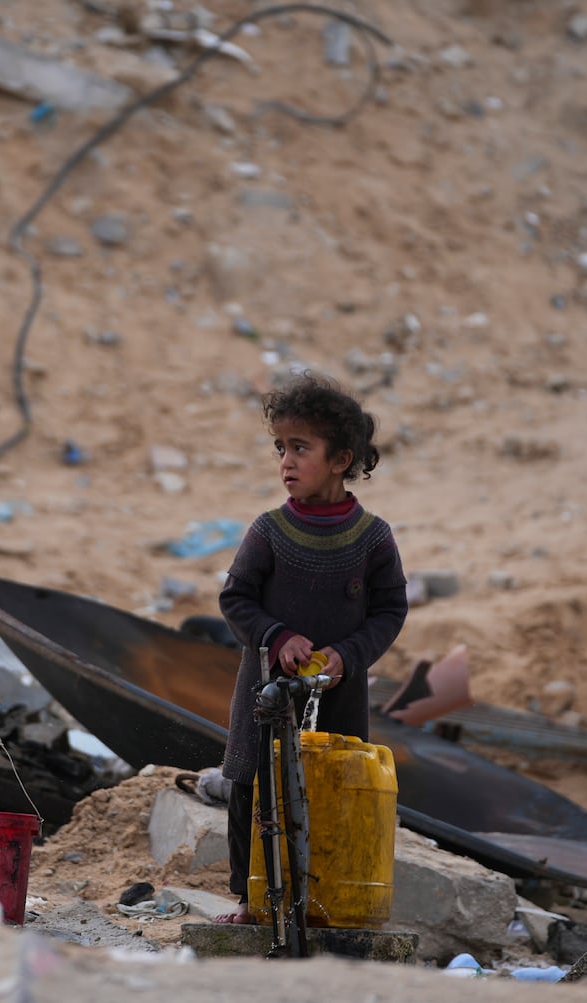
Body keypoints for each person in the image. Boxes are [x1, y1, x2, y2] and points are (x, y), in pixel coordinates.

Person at [211, 372, 408, 924]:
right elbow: (236, 597)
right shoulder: (270, 530)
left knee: (330, 789)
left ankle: (319, 902)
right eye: (281, 448)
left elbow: (391, 610)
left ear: (342, 459)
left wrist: (349, 653)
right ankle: (250, 901)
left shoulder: (372, 537)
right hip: (267, 690)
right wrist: (276, 637)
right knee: (252, 785)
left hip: (335, 692)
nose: (286, 461)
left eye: (300, 448)